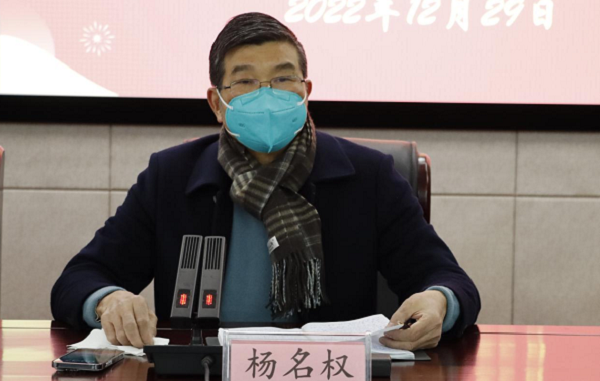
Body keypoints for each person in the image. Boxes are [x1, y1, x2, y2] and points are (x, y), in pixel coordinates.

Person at [51, 12, 480, 350]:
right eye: (245, 81)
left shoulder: (368, 177)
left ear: (306, 91)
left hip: (327, 379)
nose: (267, 93)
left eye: (282, 78)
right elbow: (80, 278)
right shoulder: (172, 177)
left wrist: (439, 301)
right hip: (202, 378)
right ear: (216, 103)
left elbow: (447, 278)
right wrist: (109, 300)